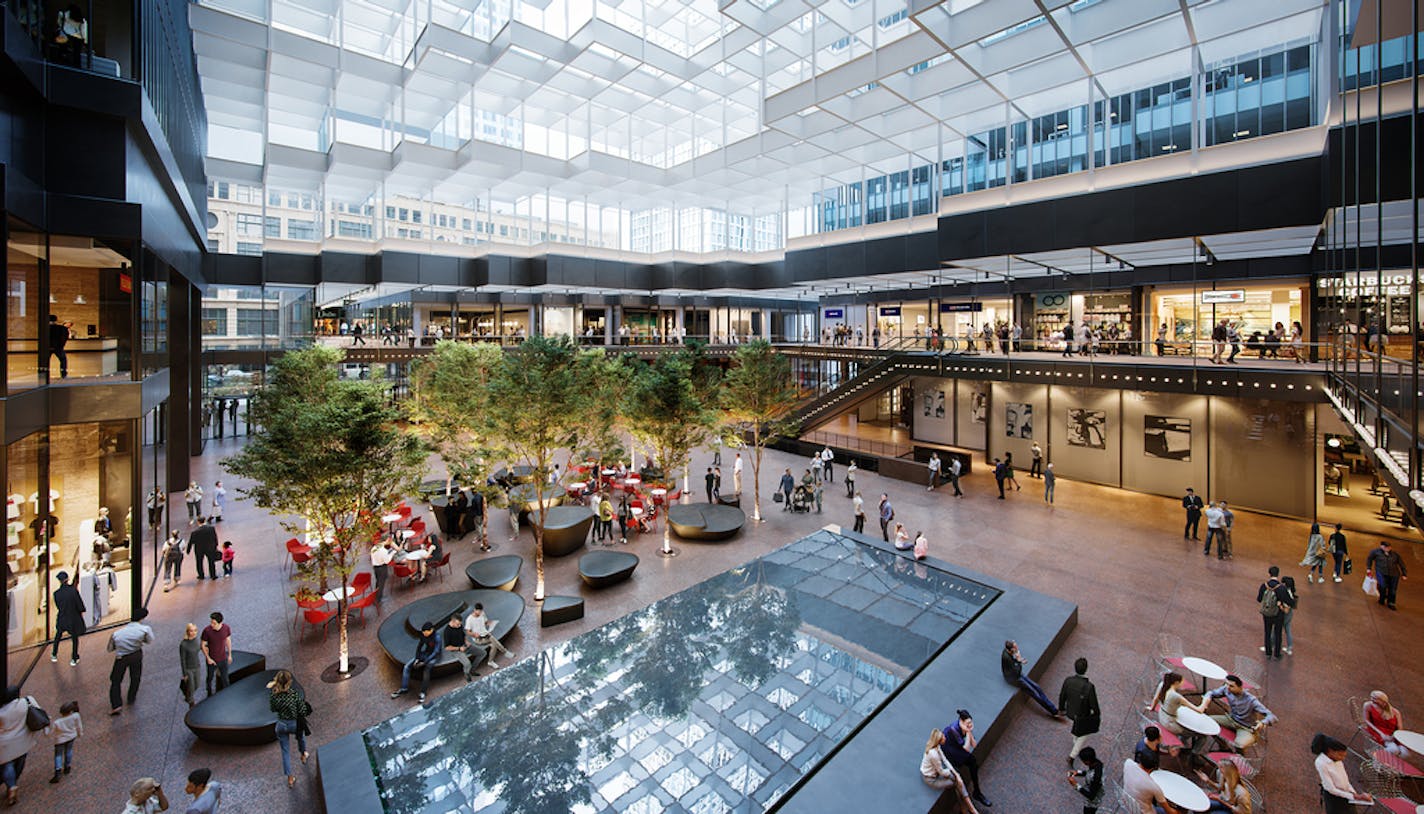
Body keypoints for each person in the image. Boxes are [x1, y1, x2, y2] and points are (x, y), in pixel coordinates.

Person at [1203, 675, 1275, 748]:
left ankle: (1239, 757)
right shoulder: (1227, 689)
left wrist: (1262, 723)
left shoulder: (1251, 700)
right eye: (1226, 684)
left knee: (1240, 745)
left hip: (1245, 727)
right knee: (1207, 721)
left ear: (1240, 687)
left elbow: (1271, 716)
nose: (1227, 687)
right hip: (1231, 719)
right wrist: (1205, 701)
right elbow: (1211, 693)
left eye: (1231, 686)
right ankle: (1223, 746)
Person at [940, 710, 993, 808]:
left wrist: (969, 732)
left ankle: (977, 792)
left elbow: (974, 744)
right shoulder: (953, 730)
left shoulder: (964, 727)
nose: (970, 725)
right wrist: (968, 732)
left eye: (971, 722)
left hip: (957, 748)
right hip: (950, 752)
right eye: (968, 723)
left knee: (973, 763)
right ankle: (965, 805)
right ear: (961, 721)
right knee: (958, 778)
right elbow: (966, 749)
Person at [268, 670, 310, 787]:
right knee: (301, 737)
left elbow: (273, 709)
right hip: (293, 723)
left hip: (281, 725)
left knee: (285, 751)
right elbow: (301, 708)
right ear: (289, 682)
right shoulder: (293, 694)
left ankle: (290, 778)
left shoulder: (274, 694)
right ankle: (303, 754)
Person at [107, 607, 153, 715]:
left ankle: (116, 704)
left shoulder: (117, 634)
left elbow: (110, 649)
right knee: (135, 676)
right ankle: (131, 697)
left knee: (116, 680)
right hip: (136, 654)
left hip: (121, 657)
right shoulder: (145, 629)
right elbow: (149, 640)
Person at [1001, 640, 1062, 718]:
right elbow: (1017, 671)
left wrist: (1018, 660)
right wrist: (1019, 661)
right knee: (1034, 692)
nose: (1017, 649)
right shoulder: (1006, 657)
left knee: (1037, 687)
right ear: (1011, 649)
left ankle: (1053, 709)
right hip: (1013, 678)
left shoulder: (1008, 652)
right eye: (1015, 648)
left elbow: (1013, 662)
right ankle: (1053, 711)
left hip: (1016, 674)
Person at [921, 729, 979, 811]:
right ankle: (970, 808)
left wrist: (955, 773)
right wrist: (955, 775)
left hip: (938, 772)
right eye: (943, 737)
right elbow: (941, 772)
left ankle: (965, 807)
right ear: (939, 740)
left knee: (958, 781)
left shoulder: (937, 747)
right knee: (957, 782)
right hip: (931, 779)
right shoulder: (933, 755)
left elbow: (945, 760)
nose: (945, 738)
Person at [1313, 734, 1372, 812]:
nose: (1342, 758)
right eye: (1340, 755)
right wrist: (1355, 796)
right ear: (1330, 751)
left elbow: (1345, 779)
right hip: (1334, 799)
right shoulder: (1321, 763)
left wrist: (1353, 793)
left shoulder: (1338, 761)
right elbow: (1331, 789)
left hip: (1346, 794)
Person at [1059, 657, 1101, 766]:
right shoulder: (1089, 687)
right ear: (1086, 669)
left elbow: (1062, 695)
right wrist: (1096, 714)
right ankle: (1072, 755)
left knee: (1078, 730)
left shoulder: (1068, 680)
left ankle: (1075, 741)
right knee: (1084, 733)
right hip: (1082, 714)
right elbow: (1094, 705)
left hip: (1071, 712)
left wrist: (1061, 708)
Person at [0, 687, 35, 807]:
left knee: (7, 764)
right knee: (20, 761)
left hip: (5, 743)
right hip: (23, 739)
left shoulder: (2, 712)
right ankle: (14, 781)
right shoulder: (25, 702)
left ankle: (11, 786)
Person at [391, 623, 440, 702]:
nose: (424, 634)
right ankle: (404, 688)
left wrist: (425, 662)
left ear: (431, 630)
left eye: (426, 632)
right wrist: (417, 658)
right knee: (407, 666)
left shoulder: (437, 637)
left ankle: (423, 692)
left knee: (426, 670)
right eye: (423, 632)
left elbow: (436, 651)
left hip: (433, 656)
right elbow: (419, 647)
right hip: (425, 653)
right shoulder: (423, 635)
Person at [1122, 749, 1177, 814]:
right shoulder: (1153, 786)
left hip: (1127, 803)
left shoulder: (1128, 763)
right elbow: (1169, 811)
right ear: (1152, 768)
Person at [1363, 691, 1413, 759]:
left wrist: (1393, 737)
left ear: (1382, 701)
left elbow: (1400, 728)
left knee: (1405, 753)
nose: (1372, 700)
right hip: (1378, 731)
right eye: (1371, 697)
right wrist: (1381, 734)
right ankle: (1377, 760)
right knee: (1394, 750)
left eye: (1375, 698)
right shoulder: (1368, 705)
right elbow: (1367, 720)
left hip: (1393, 734)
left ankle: (1388, 761)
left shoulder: (1395, 712)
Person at [49, 571, 86, 666]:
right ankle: (74, 658)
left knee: (58, 636)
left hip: (62, 617)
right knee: (74, 638)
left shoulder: (56, 594)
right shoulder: (73, 590)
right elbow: (79, 604)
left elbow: (58, 606)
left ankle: (54, 654)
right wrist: (81, 611)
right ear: (67, 579)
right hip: (73, 618)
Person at [466, 603, 515, 670]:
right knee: (492, 638)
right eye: (478, 611)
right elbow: (468, 632)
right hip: (478, 639)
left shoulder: (482, 614)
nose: (480, 613)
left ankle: (490, 662)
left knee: (493, 645)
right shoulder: (469, 619)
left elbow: (485, 622)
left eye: (481, 611)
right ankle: (505, 652)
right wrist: (474, 634)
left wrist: (490, 624)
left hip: (485, 635)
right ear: (474, 610)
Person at [1257, 566, 1289, 659]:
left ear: (1269, 573)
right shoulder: (1281, 588)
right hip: (1278, 613)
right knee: (1278, 633)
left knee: (1267, 631)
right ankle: (1277, 653)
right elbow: (1288, 600)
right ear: (1278, 574)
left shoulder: (1264, 585)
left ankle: (1268, 652)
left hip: (1266, 612)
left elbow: (1259, 599)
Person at [200, 612, 233, 696]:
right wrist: (208, 658)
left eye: (214, 623)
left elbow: (228, 641)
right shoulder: (207, 631)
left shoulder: (226, 628)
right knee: (210, 677)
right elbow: (203, 645)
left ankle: (227, 694)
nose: (212, 625)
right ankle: (209, 692)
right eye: (211, 622)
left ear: (220, 623)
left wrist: (229, 655)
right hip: (212, 660)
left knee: (225, 678)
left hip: (223, 658)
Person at [1366, 539, 1406, 610]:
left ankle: (1391, 603)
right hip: (1381, 572)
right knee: (1382, 586)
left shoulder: (1395, 555)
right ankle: (1382, 597)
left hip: (1394, 574)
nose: (1387, 549)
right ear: (1381, 546)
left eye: (1389, 547)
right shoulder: (1375, 552)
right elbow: (1369, 559)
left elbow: (1401, 564)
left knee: (1393, 589)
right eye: (1386, 547)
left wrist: (1404, 574)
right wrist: (1369, 568)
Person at [1068, 746, 1104, 814]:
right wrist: (1078, 773)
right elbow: (1088, 772)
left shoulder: (1096, 777)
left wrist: (1076, 785)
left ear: (1087, 761)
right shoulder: (1097, 763)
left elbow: (1091, 796)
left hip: (1092, 803)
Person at [178, 623, 202, 708]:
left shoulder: (196, 640)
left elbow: (199, 648)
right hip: (189, 669)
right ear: (188, 632)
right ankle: (190, 702)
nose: (194, 633)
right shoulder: (183, 644)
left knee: (197, 684)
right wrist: (184, 674)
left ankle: (187, 694)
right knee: (191, 686)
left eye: (195, 630)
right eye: (191, 631)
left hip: (197, 666)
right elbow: (183, 659)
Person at [1278, 575, 1298, 656]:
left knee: (1277, 629)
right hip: (1290, 614)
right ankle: (1289, 647)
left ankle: (1273, 645)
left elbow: (1286, 610)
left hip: (1285, 614)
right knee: (1288, 630)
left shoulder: (1286, 594)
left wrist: (1279, 606)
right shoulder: (1291, 592)